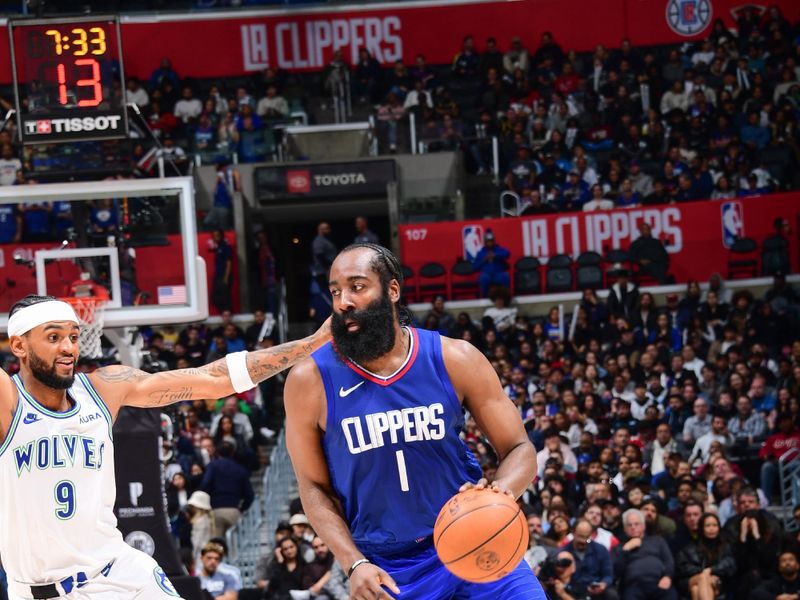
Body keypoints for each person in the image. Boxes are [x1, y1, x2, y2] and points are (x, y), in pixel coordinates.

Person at [0, 294, 331, 599]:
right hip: (43, 590)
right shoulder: (9, 403)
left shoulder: (102, 389)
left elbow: (214, 380)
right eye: (53, 337)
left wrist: (312, 343)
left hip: (120, 573)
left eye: (73, 336)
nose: (69, 347)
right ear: (19, 345)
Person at [284, 243, 545, 599]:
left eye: (357, 287)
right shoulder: (308, 381)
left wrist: (501, 494)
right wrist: (352, 562)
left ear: (392, 290)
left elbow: (519, 447)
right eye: (335, 291)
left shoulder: (456, 358)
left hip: (475, 535)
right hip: (387, 567)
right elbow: (313, 489)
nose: (343, 302)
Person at [612, 508, 676, 600]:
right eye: (629, 525)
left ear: (643, 526)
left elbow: (669, 561)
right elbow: (615, 571)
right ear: (624, 529)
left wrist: (667, 577)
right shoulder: (619, 548)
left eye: (636, 524)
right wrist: (626, 549)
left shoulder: (658, 541)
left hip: (659, 583)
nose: (633, 527)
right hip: (634, 587)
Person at [675, 513, 736, 600]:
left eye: (714, 525)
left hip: (717, 581)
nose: (712, 529)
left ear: (719, 527)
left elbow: (729, 563)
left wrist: (711, 570)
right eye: (708, 525)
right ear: (702, 528)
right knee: (703, 577)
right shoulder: (692, 546)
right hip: (691, 579)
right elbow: (683, 567)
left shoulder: (725, 545)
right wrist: (703, 572)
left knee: (696, 589)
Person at [564, 519, 617, 599]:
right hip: (574, 590)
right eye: (580, 536)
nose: (584, 541)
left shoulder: (601, 550)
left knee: (611, 594)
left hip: (597, 589)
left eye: (587, 537)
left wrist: (603, 584)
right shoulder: (564, 552)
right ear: (573, 533)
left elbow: (608, 574)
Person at [470, 230, 511, 297]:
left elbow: (507, 254)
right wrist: (484, 260)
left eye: (491, 241)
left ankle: (505, 298)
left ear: (494, 241)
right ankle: (485, 299)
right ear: (485, 242)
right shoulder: (481, 253)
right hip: (486, 274)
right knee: (483, 279)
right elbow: (474, 267)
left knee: (505, 277)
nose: (490, 243)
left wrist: (495, 255)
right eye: (488, 241)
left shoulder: (498, 249)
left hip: (499, 273)